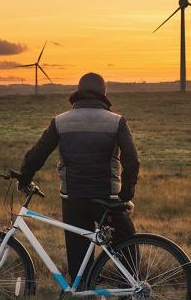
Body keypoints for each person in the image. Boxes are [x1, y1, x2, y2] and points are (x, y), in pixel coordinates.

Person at [18, 72, 139, 284]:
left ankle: (80, 298)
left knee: (78, 257)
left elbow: (38, 153)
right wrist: (125, 194)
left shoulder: (60, 121)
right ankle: (130, 299)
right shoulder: (117, 121)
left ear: (79, 91)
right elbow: (132, 160)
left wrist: (24, 178)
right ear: (103, 93)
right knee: (128, 247)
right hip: (107, 198)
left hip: (73, 197)